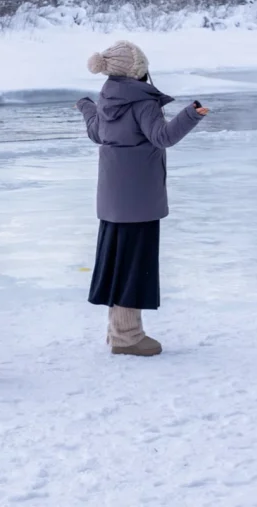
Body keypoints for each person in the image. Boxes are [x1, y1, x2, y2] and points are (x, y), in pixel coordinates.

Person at [76, 39, 209, 357]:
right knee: (134, 266)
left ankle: (118, 331)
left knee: (120, 264)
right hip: (139, 200)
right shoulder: (141, 102)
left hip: (112, 199)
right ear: (138, 69)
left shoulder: (108, 96)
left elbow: (97, 133)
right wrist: (192, 114)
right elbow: (162, 137)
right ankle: (127, 336)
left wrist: (86, 108)